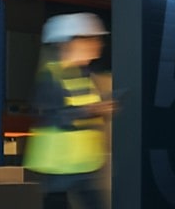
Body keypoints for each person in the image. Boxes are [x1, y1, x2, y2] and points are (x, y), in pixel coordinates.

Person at [25, 13, 114, 209]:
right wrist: (92, 110)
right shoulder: (51, 76)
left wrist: (101, 109)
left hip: (86, 165)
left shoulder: (85, 75)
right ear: (70, 44)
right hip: (58, 168)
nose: (97, 44)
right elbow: (57, 115)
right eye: (90, 39)